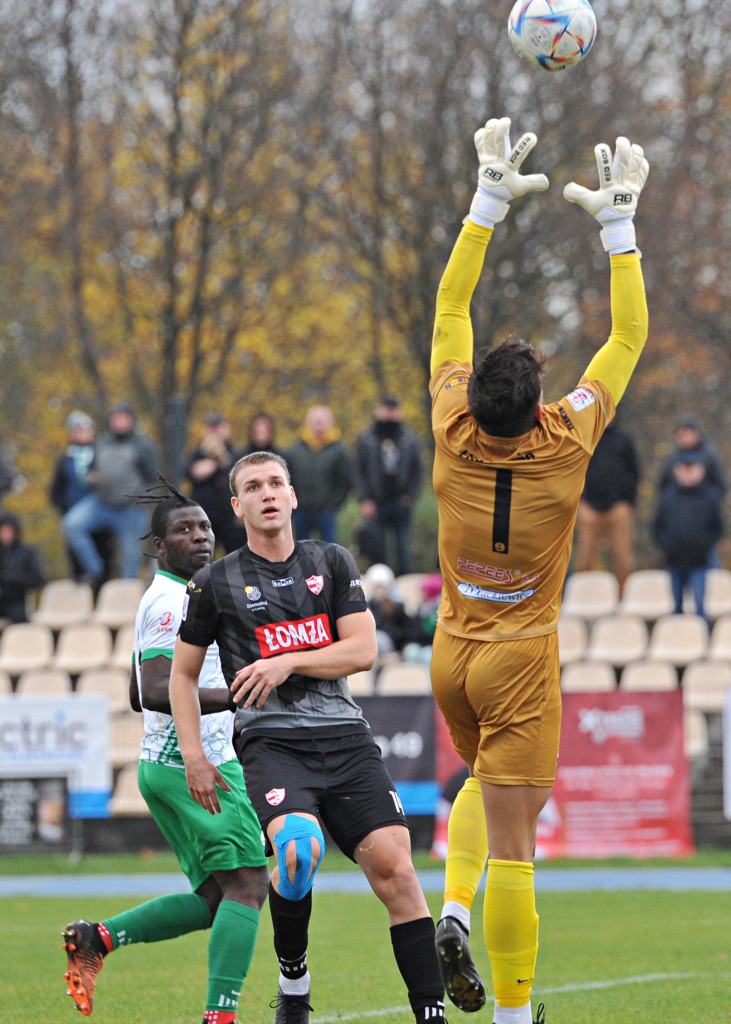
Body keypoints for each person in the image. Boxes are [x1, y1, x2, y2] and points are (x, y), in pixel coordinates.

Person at [428, 119, 649, 1024]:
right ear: (539, 402)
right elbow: (627, 337)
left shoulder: (448, 430)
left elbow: (449, 310)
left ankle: (450, 908)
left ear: (476, 394)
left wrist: (485, 203)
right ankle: (517, 1018)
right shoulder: (567, 441)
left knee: (482, 790)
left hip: (451, 651)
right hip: (520, 657)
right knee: (519, 844)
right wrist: (619, 227)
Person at [169, 450, 446, 1024]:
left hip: (345, 738)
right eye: (254, 486)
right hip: (272, 744)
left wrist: (286, 662)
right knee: (297, 853)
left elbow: (363, 650)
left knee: (397, 868)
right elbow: (182, 675)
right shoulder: (214, 582)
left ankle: (431, 1014)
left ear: (293, 496)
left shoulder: (333, 560)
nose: (267, 493)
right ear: (237, 505)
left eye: (277, 483)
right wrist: (194, 754)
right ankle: (294, 978)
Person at [61, 480, 268, 1024]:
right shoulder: (171, 599)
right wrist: (238, 695)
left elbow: (135, 691)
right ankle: (219, 1017)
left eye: (203, 527)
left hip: (169, 763)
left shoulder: (182, 594)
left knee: (217, 900)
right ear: (159, 545)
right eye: (184, 529)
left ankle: (96, 939)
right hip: (195, 763)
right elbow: (154, 689)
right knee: (249, 884)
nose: (199, 536)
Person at [61, 402, 161, 582]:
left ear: (131, 420)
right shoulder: (101, 443)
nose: (119, 422)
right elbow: (91, 470)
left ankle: (126, 597)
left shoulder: (143, 445)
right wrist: (93, 478)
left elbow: (155, 478)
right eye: (116, 418)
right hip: (101, 502)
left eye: (123, 418)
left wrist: (140, 496)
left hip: (130, 508)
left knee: (130, 557)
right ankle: (94, 569)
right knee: (72, 524)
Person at [353, 396, 423, 575]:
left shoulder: (410, 439)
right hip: (376, 501)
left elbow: (418, 470)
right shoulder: (366, 439)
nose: (390, 414)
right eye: (386, 409)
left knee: (403, 548)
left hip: (401, 501)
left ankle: (405, 585)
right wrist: (365, 499)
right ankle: (379, 588)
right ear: (378, 410)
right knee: (377, 548)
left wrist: (411, 495)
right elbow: (358, 471)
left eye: (393, 410)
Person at [652, 451, 724, 619]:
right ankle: (678, 641)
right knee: (676, 607)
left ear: (701, 471)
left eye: (692, 468)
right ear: (676, 471)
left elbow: (718, 527)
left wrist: (704, 546)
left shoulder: (709, 497)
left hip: (700, 561)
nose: (688, 472)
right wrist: (668, 546)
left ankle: (702, 639)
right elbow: (657, 527)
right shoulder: (667, 497)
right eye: (684, 468)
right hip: (674, 560)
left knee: (700, 605)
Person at [575, 415, 640, 593]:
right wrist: (582, 498)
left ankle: (623, 600)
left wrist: (627, 500)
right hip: (589, 507)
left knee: (623, 558)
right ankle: (586, 598)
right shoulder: (587, 438)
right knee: (584, 558)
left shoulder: (624, 440)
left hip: (618, 507)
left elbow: (634, 473)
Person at [49, 410, 116, 582]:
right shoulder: (65, 460)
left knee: (105, 561)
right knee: (77, 563)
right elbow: (55, 492)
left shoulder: (102, 455)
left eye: (86, 430)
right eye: (78, 430)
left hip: (102, 520)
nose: (83, 434)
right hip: (75, 516)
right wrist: (67, 510)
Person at [287, 404, 352, 543]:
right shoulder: (296, 449)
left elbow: (345, 481)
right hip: (301, 511)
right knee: (300, 551)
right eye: (315, 422)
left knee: (329, 551)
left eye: (322, 422)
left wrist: (334, 505)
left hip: (326, 512)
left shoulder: (339, 450)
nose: (318, 426)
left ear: (330, 424)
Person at [185, 413, 246, 554]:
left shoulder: (236, 453)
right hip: (203, 516)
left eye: (217, 428)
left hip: (230, 516)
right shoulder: (197, 453)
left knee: (236, 556)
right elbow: (193, 472)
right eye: (211, 429)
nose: (214, 433)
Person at [0, 512, 44, 623]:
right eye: (3, 531)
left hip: (17, 601)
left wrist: (13, 577)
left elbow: (37, 580)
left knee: (19, 620)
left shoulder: (27, 552)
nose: (5, 535)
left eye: (9, 531)